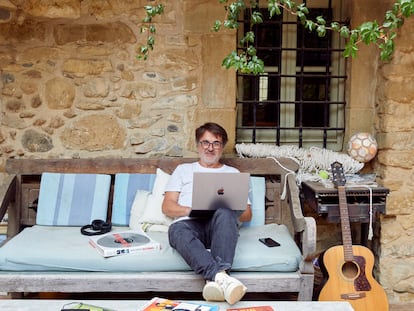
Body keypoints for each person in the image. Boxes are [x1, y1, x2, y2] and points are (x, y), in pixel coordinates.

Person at [162, 122, 252, 305]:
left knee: (225, 212)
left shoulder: (232, 173)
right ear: (198, 145)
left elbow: (248, 214)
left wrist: (228, 207)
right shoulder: (183, 170)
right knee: (177, 230)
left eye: (216, 143)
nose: (210, 148)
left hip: (221, 227)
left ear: (222, 147)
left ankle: (216, 279)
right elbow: (167, 206)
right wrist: (192, 210)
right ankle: (221, 277)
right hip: (190, 225)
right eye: (205, 142)